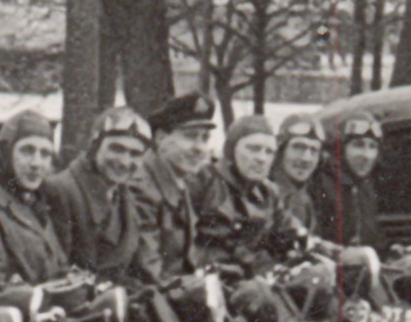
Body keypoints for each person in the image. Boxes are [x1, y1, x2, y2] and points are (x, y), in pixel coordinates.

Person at [43, 105, 164, 287]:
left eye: (135, 154)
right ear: (95, 145)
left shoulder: (124, 194)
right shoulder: (62, 190)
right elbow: (57, 269)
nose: (124, 162)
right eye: (116, 149)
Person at [0, 108, 71, 287]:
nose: (36, 163)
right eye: (27, 151)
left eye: (45, 154)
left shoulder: (35, 202)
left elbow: (59, 267)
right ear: (6, 153)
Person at [195, 112, 299, 274]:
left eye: (269, 152)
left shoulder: (268, 192)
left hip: (254, 275)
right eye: (253, 149)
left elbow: (293, 232)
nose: (261, 158)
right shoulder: (204, 182)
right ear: (231, 150)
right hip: (216, 277)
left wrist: (335, 254)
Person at [131, 93, 219, 278]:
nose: (200, 148)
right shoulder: (140, 188)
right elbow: (149, 272)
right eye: (190, 136)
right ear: (161, 138)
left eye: (205, 138)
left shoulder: (178, 181)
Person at [319, 115, 386, 247]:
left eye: (372, 147)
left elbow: (369, 237)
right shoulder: (323, 184)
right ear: (342, 149)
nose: (366, 155)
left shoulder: (365, 186)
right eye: (358, 145)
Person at [270, 115, 326, 237]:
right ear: (281, 149)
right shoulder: (266, 194)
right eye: (298, 147)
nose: (306, 158)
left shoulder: (308, 193)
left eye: (314, 150)